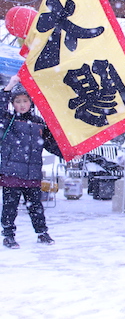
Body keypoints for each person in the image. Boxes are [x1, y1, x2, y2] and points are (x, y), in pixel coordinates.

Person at [1, 75, 62, 249]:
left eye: (25, 101)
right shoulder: (7, 120)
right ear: (13, 103)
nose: (21, 105)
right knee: (10, 206)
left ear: (31, 103)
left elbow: (51, 144)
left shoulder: (39, 123)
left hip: (32, 173)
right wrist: (9, 86)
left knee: (36, 206)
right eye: (17, 101)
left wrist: (70, 154)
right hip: (11, 172)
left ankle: (42, 232)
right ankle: (8, 234)